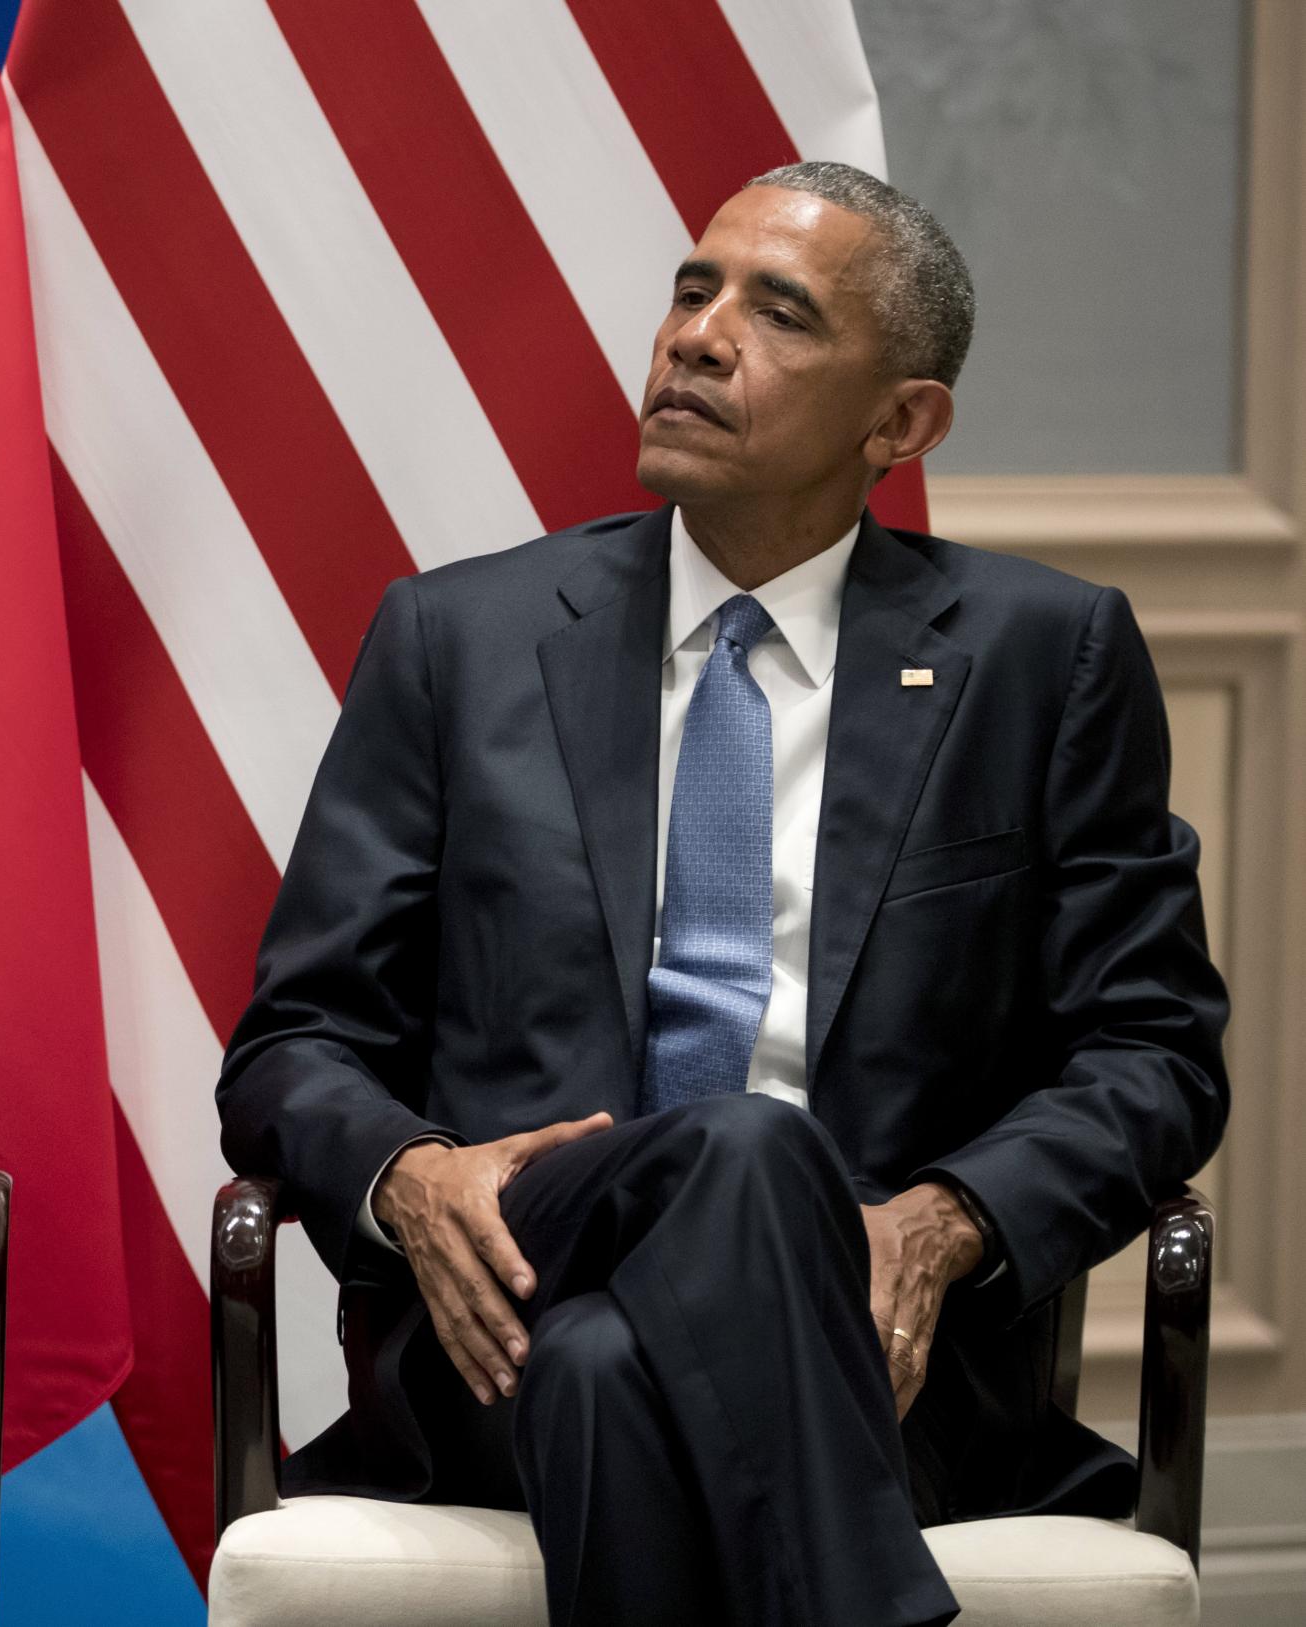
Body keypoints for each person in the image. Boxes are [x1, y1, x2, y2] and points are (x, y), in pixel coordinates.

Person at [217, 161, 1227, 1627]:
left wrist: (941, 1224)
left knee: (620, 1356)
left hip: (882, 1353)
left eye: (782, 313)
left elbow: (1154, 1052)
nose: (697, 335)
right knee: (740, 1157)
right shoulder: (464, 641)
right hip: (507, 1307)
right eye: (693, 289)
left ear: (903, 422)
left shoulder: (1041, 657)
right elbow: (294, 1043)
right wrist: (420, 1180)